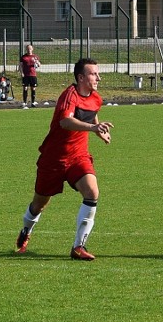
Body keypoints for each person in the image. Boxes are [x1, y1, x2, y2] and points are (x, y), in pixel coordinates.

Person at [15, 58, 114, 261]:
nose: (98, 77)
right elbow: (65, 121)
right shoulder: (69, 96)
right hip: (54, 159)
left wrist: (97, 131)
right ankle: (26, 229)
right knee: (39, 204)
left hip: (78, 156)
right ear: (81, 77)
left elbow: (92, 113)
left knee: (92, 191)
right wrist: (93, 128)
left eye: (97, 73)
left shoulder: (96, 98)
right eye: (94, 74)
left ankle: (78, 247)